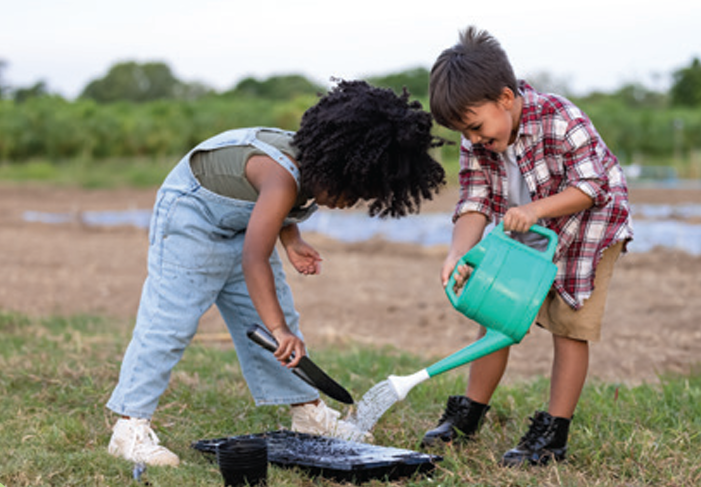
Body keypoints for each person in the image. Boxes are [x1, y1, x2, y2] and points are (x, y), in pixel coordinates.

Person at [106, 79, 446, 467]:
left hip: (240, 224)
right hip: (192, 218)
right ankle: (129, 427)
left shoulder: (310, 167)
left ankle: (308, 414)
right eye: (349, 191)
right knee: (171, 320)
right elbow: (256, 253)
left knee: (277, 323)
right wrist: (279, 328)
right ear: (333, 166)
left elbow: (272, 207)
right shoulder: (283, 175)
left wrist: (291, 238)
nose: (347, 202)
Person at [421, 27, 633, 467]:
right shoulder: (474, 138)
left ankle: (552, 435)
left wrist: (536, 210)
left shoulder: (559, 116)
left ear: (505, 97)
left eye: (476, 127)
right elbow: (474, 199)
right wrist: (457, 253)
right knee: (494, 311)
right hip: (526, 226)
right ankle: (468, 415)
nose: (474, 139)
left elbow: (591, 187)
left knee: (569, 326)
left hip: (586, 229)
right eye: (465, 132)